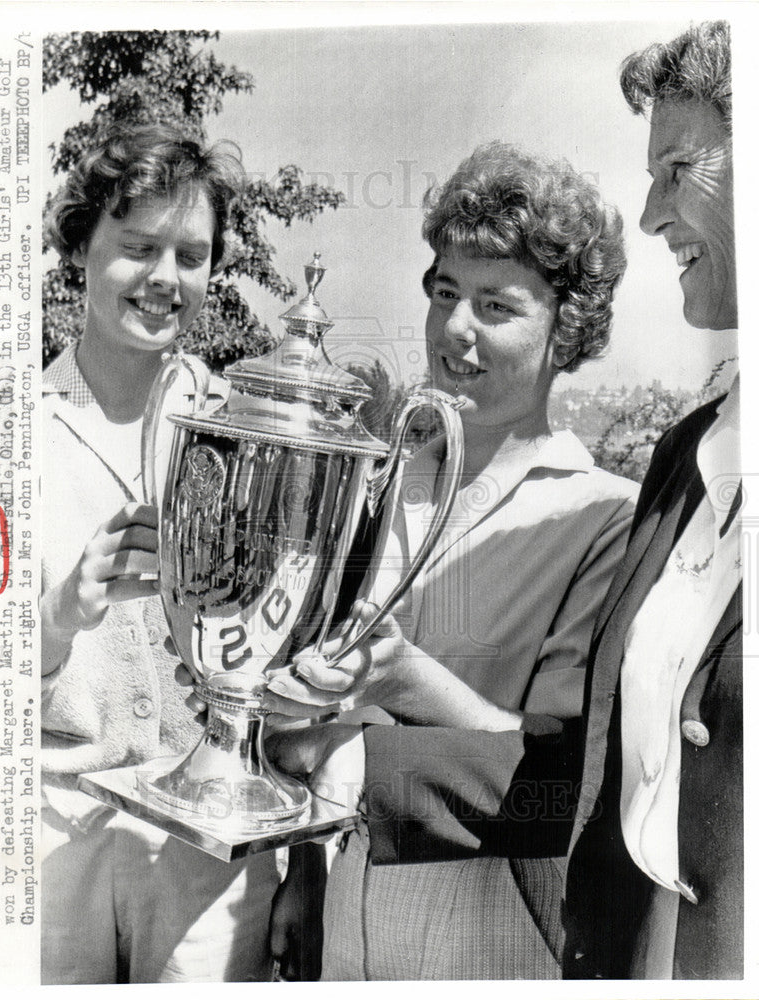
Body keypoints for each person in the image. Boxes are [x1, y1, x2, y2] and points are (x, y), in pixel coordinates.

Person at [265, 142, 638, 979]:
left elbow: (557, 779)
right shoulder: (389, 477)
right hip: (348, 918)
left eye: (495, 306)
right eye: (444, 295)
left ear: (565, 328)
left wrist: (405, 679)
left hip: (492, 934)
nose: (455, 331)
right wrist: (298, 875)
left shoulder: (602, 515)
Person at [39, 121, 289, 984]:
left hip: (209, 852)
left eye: (191, 254)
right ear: (79, 249)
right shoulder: (3, 435)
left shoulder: (250, 435)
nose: (164, 278)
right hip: (48, 838)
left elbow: (288, 661)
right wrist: (60, 616)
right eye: (137, 247)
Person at [563, 21, 742, 980]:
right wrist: (359, 765)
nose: (648, 215)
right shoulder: (685, 453)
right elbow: (606, 763)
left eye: (678, 167)